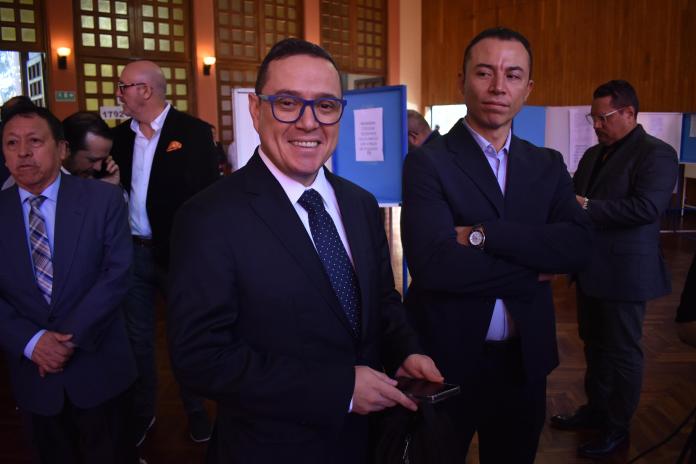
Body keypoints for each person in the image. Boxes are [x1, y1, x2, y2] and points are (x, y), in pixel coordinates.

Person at [167, 38, 442, 464]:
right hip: (271, 447)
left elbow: (382, 302)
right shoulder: (209, 217)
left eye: (326, 105)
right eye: (288, 103)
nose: (309, 123)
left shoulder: (359, 203)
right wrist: (339, 389)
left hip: (369, 441)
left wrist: (406, 350)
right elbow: (200, 358)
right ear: (256, 112)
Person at [401, 27, 593, 463]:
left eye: (512, 75)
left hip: (523, 363)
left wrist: (482, 235)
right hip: (444, 359)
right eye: (484, 73)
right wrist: (533, 270)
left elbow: (579, 246)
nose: (497, 87)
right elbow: (434, 263)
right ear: (462, 80)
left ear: (528, 88)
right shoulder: (428, 162)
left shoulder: (546, 164)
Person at [0, 105, 137, 463]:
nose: (23, 152)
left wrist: (64, 341)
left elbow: (117, 273)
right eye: (12, 143)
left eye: (34, 141)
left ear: (61, 149)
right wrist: (32, 343)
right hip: (34, 374)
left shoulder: (103, 200)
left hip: (99, 367)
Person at [551, 79, 679, 457]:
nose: (596, 125)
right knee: (594, 345)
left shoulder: (657, 154)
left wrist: (586, 205)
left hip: (626, 274)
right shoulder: (593, 155)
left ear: (629, 113)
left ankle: (617, 428)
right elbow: (572, 199)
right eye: (592, 118)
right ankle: (595, 410)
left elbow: (646, 209)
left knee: (622, 351)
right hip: (590, 269)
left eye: (603, 117)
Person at [110, 59, 219, 445]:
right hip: (133, 253)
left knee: (184, 335)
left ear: (146, 90)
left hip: (180, 256)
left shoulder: (193, 133)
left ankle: (194, 409)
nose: (118, 93)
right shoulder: (119, 138)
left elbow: (209, 200)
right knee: (137, 338)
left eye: (123, 86)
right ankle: (144, 411)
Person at [63, 111, 120, 184]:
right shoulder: (47, 182)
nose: (98, 168)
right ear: (66, 149)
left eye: (103, 159)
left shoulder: (99, 177)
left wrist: (109, 188)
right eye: (92, 160)